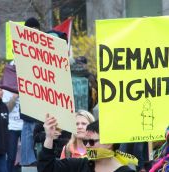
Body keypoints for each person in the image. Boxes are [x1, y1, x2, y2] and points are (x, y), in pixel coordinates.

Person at [37, 115, 136, 172]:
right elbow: (47, 169)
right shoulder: (80, 165)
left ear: (109, 143)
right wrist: (49, 137)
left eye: (92, 142)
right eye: (86, 141)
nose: (87, 146)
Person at [20, 17, 40, 166]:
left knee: (32, 129)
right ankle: (28, 160)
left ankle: (30, 158)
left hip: (38, 96)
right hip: (29, 95)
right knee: (29, 128)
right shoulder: (22, 47)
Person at [0, 85, 9, 172]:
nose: (2, 92)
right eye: (0, 90)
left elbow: (5, 127)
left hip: (1, 150)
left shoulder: (3, 106)